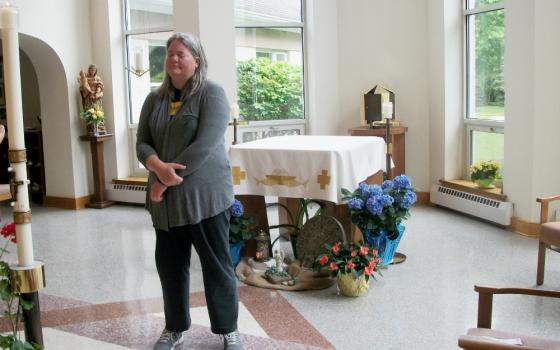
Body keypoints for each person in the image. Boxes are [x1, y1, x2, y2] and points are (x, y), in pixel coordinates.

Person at [136, 32, 242, 350]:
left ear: (196, 60)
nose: (174, 59)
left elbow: (205, 146)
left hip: (204, 198)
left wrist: (163, 180)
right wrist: (156, 165)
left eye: (182, 53)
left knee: (216, 265)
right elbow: (141, 142)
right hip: (166, 204)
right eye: (170, 53)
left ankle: (229, 330)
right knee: (170, 267)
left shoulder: (212, 94)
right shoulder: (154, 99)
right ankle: (174, 328)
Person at [78, 64, 106, 134]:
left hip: (96, 97)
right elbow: (83, 86)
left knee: (98, 110)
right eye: (91, 69)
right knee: (90, 110)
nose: (92, 71)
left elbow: (100, 85)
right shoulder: (86, 78)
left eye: (94, 70)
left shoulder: (98, 78)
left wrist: (97, 92)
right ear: (89, 70)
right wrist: (89, 91)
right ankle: (91, 127)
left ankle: (100, 126)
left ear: (96, 71)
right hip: (89, 97)